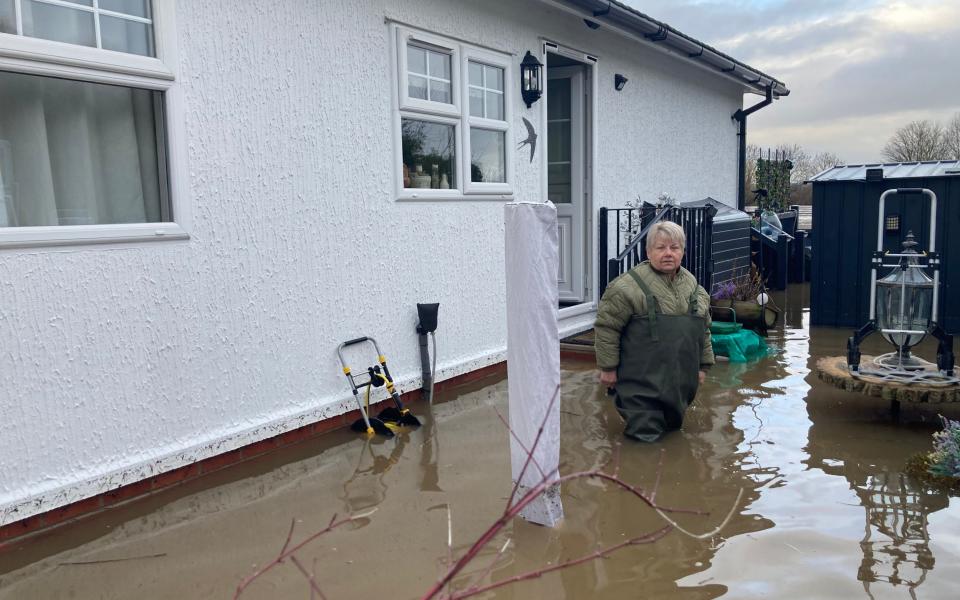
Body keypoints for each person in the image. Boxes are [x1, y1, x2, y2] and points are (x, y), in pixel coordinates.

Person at [595, 221, 714, 442]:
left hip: (680, 386)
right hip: (640, 387)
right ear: (649, 251)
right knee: (643, 442)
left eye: (674, 247)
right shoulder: (625, 288)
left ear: (683, 252)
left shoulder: (695, 288)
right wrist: (608, 368)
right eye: (661, 248)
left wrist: (703, 367)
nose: (668, 253)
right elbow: (607, 329)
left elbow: (703, 330)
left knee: (673, 435)